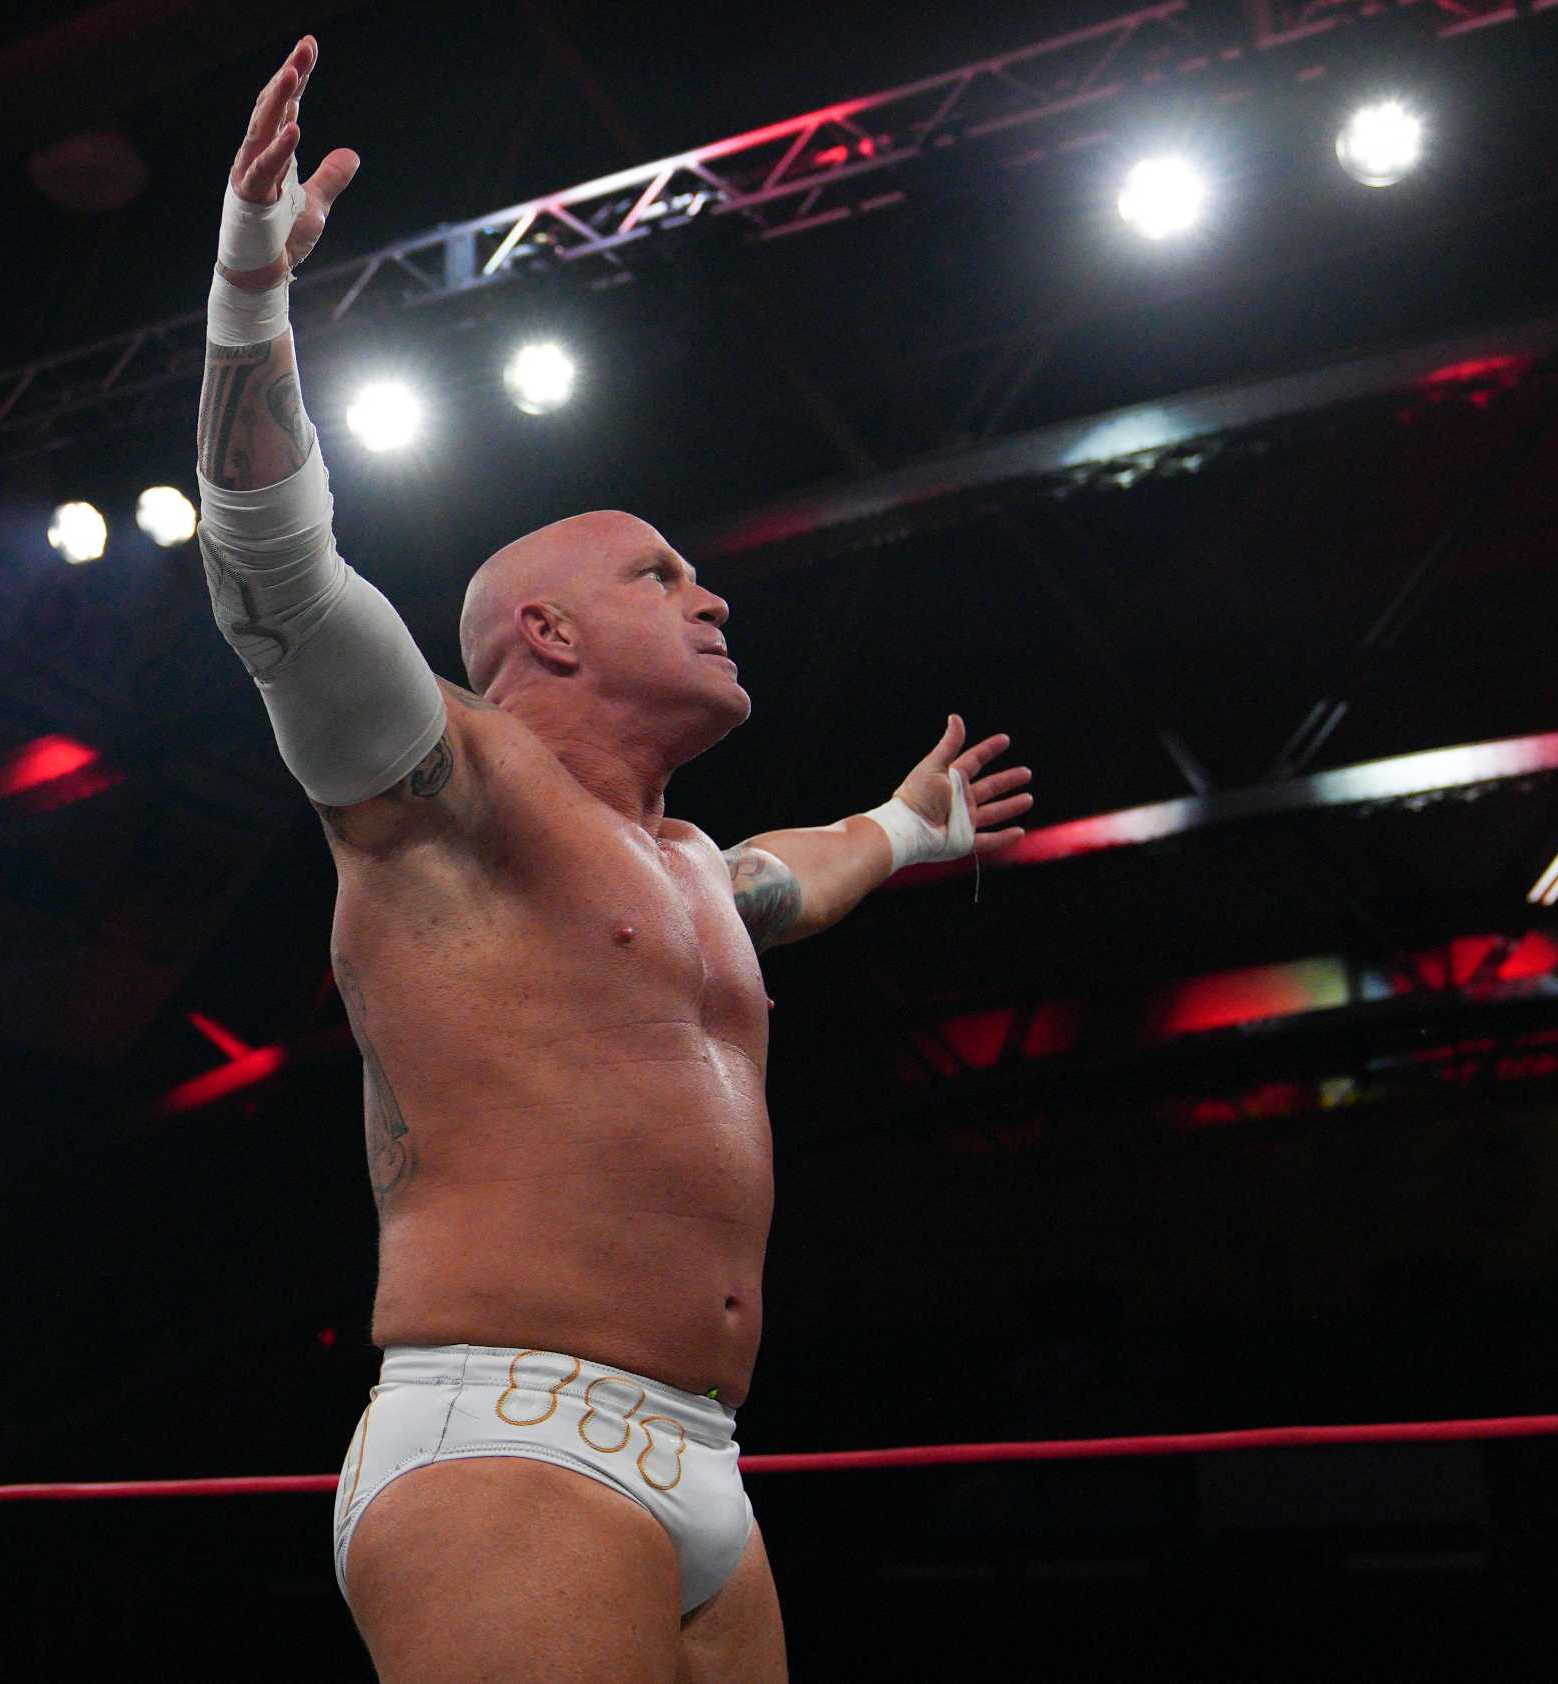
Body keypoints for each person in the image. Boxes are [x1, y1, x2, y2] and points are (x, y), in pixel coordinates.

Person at [193, 37, 1032, 1682]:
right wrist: (246, 298)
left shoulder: (687, 872)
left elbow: (791, 877)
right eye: (660, 575)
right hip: (509, 1443)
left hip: (706, 1458)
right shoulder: (444, 789)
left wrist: (900, 829)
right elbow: (270, 577)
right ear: (548, 631)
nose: (710, 596)